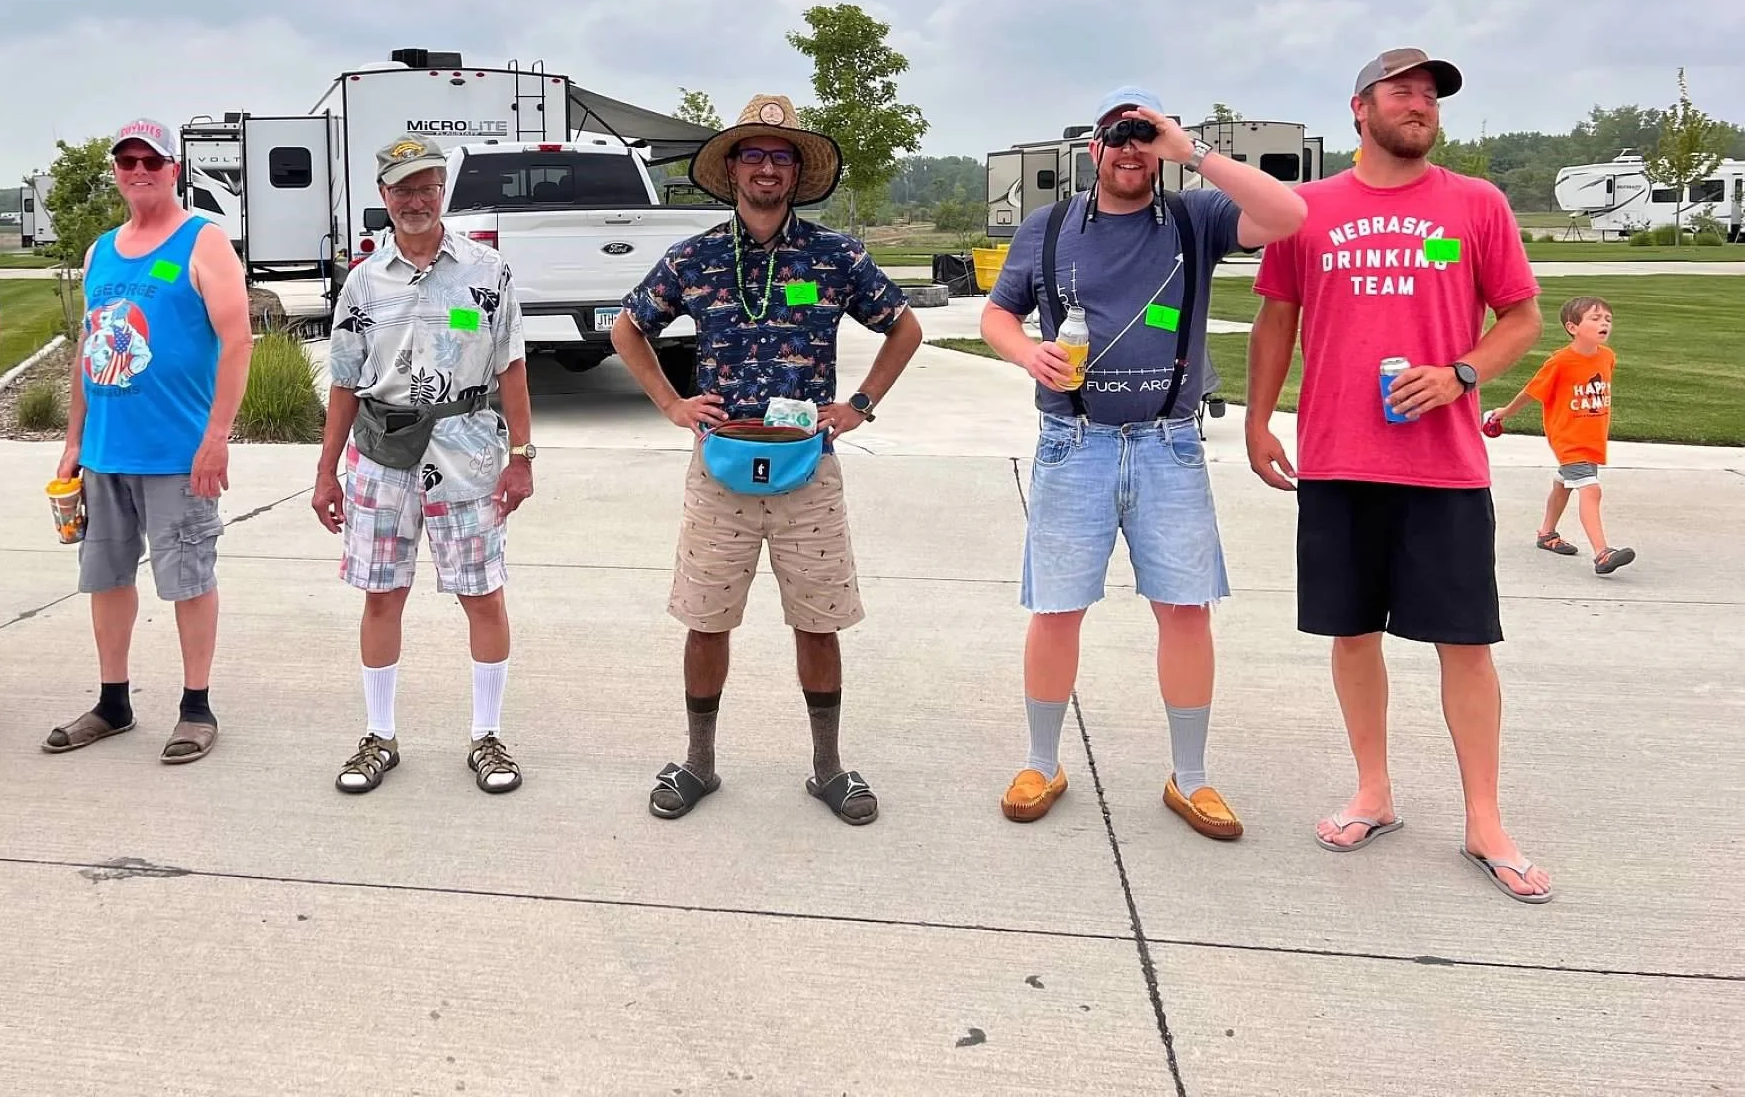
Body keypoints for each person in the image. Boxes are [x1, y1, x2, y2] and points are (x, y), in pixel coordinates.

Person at [1248, 48, 1551, 903]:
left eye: (1429, 96)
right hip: (1337, 458)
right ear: (1360, 108)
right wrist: (1257, 419)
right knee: (1351, 634)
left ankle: (1484, 820)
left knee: (1465, 643)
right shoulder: (1306, 210)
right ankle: (1372, 793)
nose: (1419, 105)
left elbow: (1522, 317)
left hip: (1443, 466)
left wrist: (1459, 373)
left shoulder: (1475, 203)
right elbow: (1276, 317)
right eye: (1402, 92)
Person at [983, 88, 1307, 840]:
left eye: (1145, 135)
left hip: (1168, 444)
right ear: (1091, 149)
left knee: (1186, 610)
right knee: (1055, 609)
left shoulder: (1196, 218)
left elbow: (1288, 215)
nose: (1130, 149)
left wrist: (1191, 152)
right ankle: (1041, 762)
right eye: (1116, 135)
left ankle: (1189, 778)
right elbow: (997, 313)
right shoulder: (1049, 227)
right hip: (1073, 444)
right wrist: (1025, 351)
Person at [610, 94, 923, 827]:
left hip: (806, 467)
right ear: (731, 169)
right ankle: (698, 763)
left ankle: (827, 768)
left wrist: (859, 404)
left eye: (780, 158)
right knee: (705, 619)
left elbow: (904, 329)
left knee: (818, 620)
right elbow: (627, 328)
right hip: (720, 466)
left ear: (795, 174)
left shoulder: (836, 255)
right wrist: (672, 404)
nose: (766, 169)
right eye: (752, 155)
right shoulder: (694, 257)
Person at [312, 136, 536, 797]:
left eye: (427, 187)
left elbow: (511, 366)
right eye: (403, 188)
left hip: (467, 455)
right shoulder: (363, 281)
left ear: (443, 191)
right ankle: (379, 735)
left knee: (481, 593)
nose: (416, 200)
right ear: (383, 195)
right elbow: (344, 381)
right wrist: (326, 473)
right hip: (381, 456)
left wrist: (521, 456)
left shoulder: (486, 271)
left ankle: (487, 736)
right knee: (382, 594)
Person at [44, 119, 254, 764]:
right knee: (105, 578)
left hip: (177, 453)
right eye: (127, 162)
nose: (139, 171)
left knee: (188, 578)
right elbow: (89, 348)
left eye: (151, 161)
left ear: (173, 170)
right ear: (116, 172)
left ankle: (196, 707)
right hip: (106, 451)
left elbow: (237, 340)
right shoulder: (101, 251)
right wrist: (74, 439)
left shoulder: (203, 241)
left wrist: (216, 437)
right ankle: (113, 702)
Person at [1485, 296, 1633, 575]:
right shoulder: (1561, 362)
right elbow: (1532, 391)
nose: (1604, 323)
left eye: (1607, 319)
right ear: (1572, 327)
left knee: (1563, 484)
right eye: (1595, 318)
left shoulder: (1607, 357)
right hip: (1569, 438)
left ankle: (1546, 533)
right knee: (1591, 489)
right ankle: (1602, 553)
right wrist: (1504, 412)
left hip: (1591, 439)